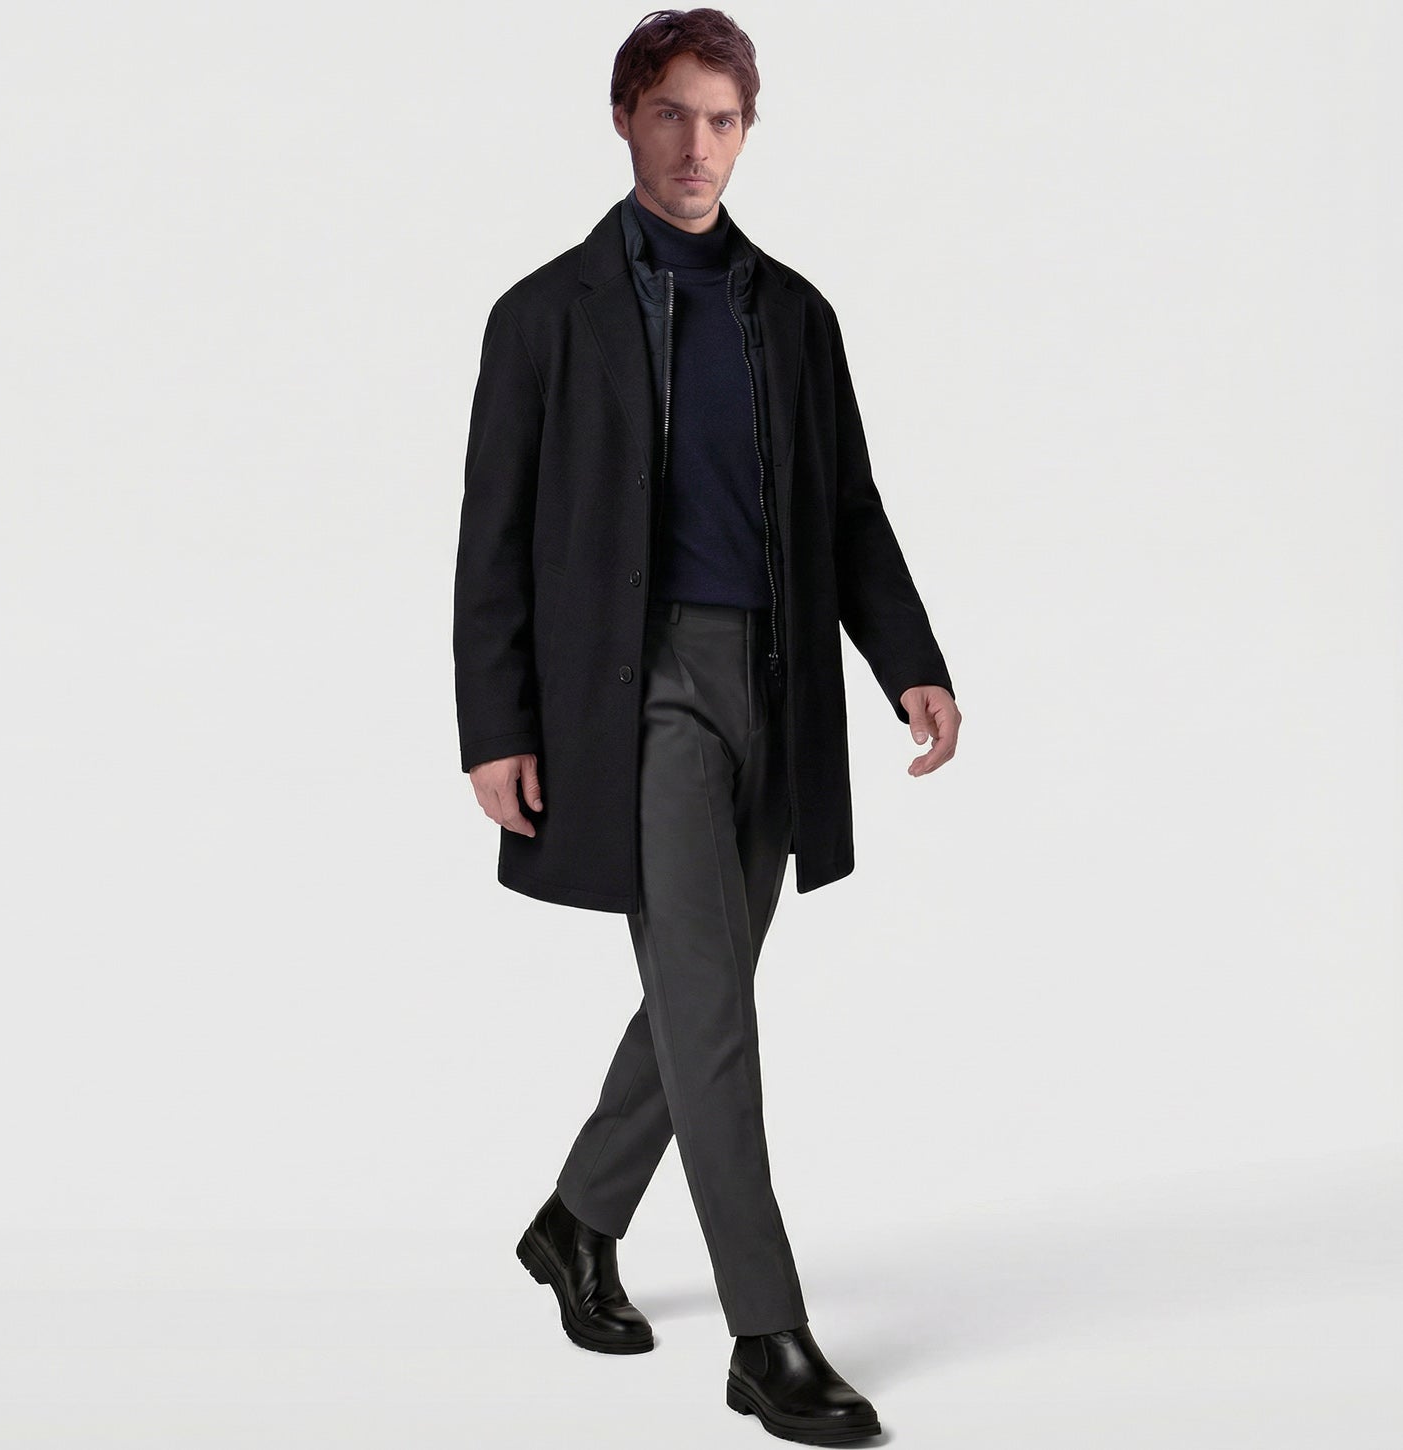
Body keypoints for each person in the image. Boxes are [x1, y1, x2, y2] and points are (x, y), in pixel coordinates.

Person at [454, 8, 960, 1443]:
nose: (696, 145)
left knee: (699, 987)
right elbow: (492, 537)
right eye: (671, 113)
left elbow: (848, 508)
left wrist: (908, 660)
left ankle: (578, 1216)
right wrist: (495, 722)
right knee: (715, 1013)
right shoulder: (542, 316)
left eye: (722, 119)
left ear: (748, 132)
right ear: (624, 117)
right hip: (639, 693)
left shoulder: (793, 314)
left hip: (780, 686)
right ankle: (767, 1333)